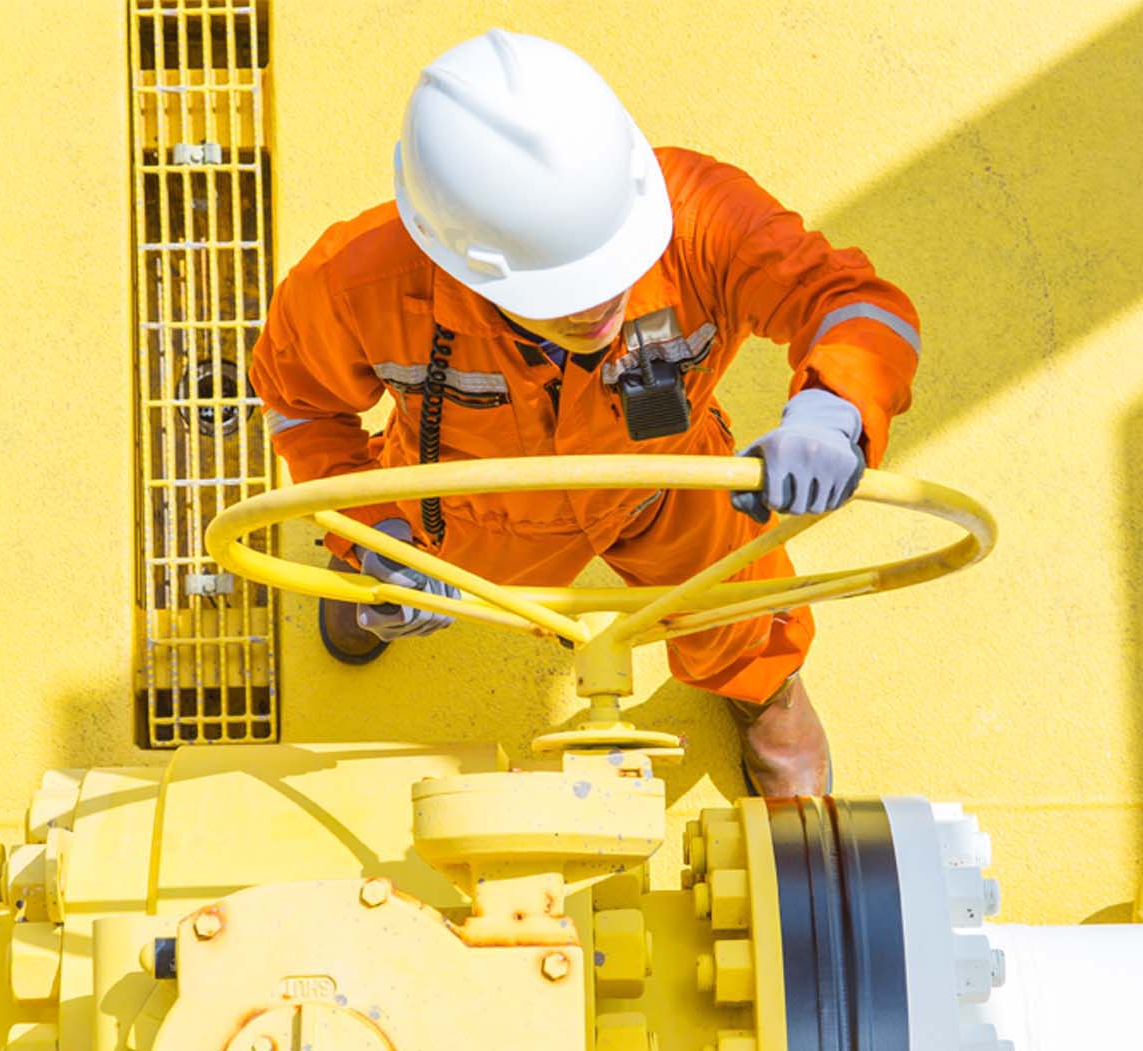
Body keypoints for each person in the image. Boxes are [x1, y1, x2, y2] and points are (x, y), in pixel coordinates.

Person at [249, 30, 918, 795]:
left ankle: (760, 686)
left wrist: (833, 409)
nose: (597, 305)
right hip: (462, 502)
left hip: (668, 481)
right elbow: (300, 407)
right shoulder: (353, 283)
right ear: (451, 256)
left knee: (734, 602)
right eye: (556, 296)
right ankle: (368, 585)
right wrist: (376, 534)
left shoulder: (705, 216)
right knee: (381, 575)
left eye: (613, 265)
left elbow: (853, 302)